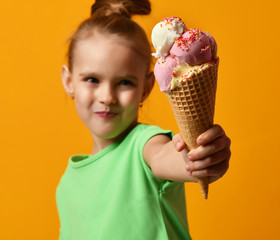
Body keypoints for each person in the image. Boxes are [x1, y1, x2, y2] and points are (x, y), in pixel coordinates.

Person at [56, 0, 231, 239]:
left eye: (125, 82)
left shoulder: (145, 145)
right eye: (92, 80)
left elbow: (166, 157)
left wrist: (197, 158)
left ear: (146, 88)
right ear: (68, 81)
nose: (107, 97)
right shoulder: (68, 184)